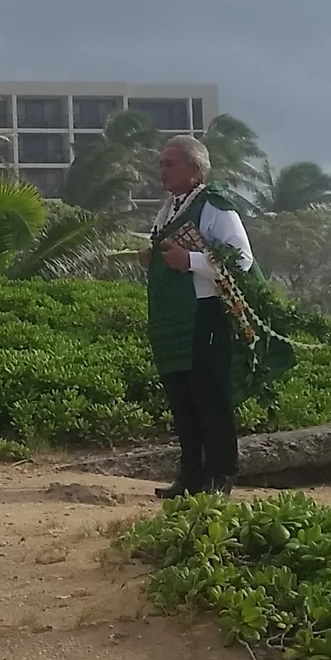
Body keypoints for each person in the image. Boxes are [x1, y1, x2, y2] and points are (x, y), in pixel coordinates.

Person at [145, 135, 257, 498]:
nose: (162, 170)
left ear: (195, 170)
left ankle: (219, 476)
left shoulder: (214, 205)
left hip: (204, 314)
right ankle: (190, 477)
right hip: (173, 321)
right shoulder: (170, 209)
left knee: (210, 398)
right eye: (161, 163)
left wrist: (190, 262)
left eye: (169, 164)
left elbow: (241, 259)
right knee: (182, 399)